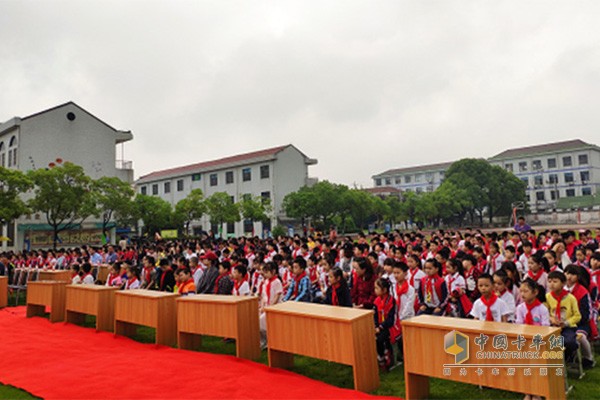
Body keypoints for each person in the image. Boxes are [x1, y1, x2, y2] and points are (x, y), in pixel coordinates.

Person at [545, 271, 581, 361]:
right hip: (552, 326)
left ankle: (568, 355)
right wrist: (551, 319)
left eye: (555, 281)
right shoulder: (547, 297)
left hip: (567, 327)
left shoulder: (570, 298)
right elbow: (545, 313)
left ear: (563, 283)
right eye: (549, 281)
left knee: (568, 341)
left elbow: (577, 316)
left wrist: (566, 323)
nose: (552, 284)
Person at [564, 265, 595, 368]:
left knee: (580, 337)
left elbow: (587, 314)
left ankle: (588, 358)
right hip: (564, 323)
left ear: (577, 277)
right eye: (567, 273)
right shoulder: (561, 289)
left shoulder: (582, 291)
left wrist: (574, 321)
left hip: (581, 323)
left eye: (572, 274)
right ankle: (567, 356)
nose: (569, 276)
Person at [389, 261, 415, 361]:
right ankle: (401, 355)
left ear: (405, 273)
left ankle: (409, 355)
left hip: (407, 317)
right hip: (396, 316)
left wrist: (402, 316)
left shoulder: (410, 289)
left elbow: (409, 305)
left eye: (398, 273)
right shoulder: (393, 287)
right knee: (398, 338)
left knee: (406, 337)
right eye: (394, 273)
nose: (396, 275)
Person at [373, 278, 396, 371]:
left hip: (390, 326)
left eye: (377, 288)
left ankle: (387, 357)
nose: (375, 290)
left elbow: (391, 318)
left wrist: (381, 327)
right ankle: (381, 356)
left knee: (380, 338)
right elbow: (375, 316)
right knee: (374, 337)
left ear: (385, 290)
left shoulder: (391, 301)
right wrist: (375, 326)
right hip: (379, 326)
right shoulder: (376, 301)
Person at [259, 262, 283, 348]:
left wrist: (270, 307)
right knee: (258, 321)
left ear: (273, 271)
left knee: (262, 322)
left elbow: (277, 295)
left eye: (267, 272)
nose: (265, 274)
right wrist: (262, 306)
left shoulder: (277, 282)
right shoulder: (265, 282)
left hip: (274, 307)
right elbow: (263, 295)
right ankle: (263, 340)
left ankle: (268, 341)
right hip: (266, 306)